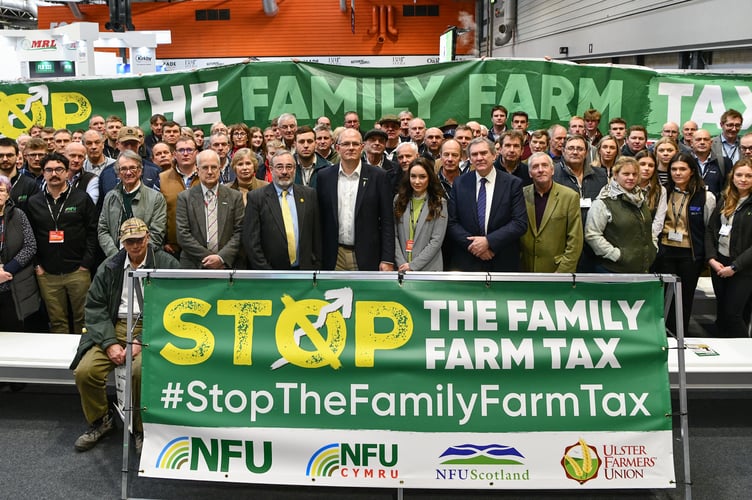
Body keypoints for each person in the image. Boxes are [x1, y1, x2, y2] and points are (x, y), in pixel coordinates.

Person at [71, 217, 179, 453]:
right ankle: (101, 420)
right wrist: (109, 343)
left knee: (139, 371)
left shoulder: (166, 263)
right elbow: (95, 307)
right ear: (122, 242)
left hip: (151, 327)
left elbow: (175, 306)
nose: (136, 246)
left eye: (140, 240)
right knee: (85, 371)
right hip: (114, 325)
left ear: (148, 237)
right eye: (130, 241)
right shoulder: (110, 266)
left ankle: (140, 428)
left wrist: (140, 340)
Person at [26, 153, 98, 334]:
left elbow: (92, 232)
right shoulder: (34, 202)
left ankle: (82, 358)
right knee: (57, 321)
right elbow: (29, 237)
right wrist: (37, 266)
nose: (54, 174)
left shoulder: (81, 198)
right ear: (43, 173)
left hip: (77, 270)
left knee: (83, 320)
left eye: (59, 169)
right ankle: (61, 361)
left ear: (67, 173)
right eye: (49, 170)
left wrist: (85, 264)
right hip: (47, 273)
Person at [654, 153, 716, 334]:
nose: (677, 173)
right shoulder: (662, 192)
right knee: (663, 296)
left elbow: (707, 228)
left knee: (685, 297)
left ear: (692, 171)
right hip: (665, 250)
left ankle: (680, 334)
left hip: (690, 254)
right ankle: (661, 335)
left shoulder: (706, 196)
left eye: (682, 169)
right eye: (674, 169)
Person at [317, 128, 395, 271]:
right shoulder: (324, 176)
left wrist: (387, 258)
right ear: (337, 148)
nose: (351, 148)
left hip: (367, 255)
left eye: (355, 144)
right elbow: (320, 219)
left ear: (362, 147)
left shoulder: (379, 176)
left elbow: (387, 221)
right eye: (346, 144)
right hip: (334, 256)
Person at [447, 137, 527, 272]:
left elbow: (519, 223)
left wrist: (489, 242)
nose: (479, 158)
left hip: (502, 259)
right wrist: (475, 246)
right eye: (474, 154)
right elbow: (452, 223)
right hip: (468, 260)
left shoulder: (513, 183)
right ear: (470, 159)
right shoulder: (460, 183)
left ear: (494, 155)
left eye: (484, 153)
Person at [242, 150, 321, 270]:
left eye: (289, 167)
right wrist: (267, 272)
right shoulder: (256, 198)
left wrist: (316, 266)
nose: (285, 171)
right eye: (279, 167)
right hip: (271, 275)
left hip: (305, 272)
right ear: (271, 169)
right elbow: (251, 242)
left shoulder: (309, 195)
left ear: (295, 169)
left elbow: (317, 235)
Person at [585, 156, 656, 273]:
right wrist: (616, 255)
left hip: (642, 268)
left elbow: (647, 227)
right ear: (615, 175)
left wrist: (653, 246)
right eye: (626, 174)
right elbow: (592, 235)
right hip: (613, 270)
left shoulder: (641, 199)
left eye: (634, 174)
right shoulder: (603, 202)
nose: (631, 178)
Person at [705, 159, 752, 337]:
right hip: (720, 264)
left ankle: (746, 356)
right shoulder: (726, 200)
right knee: (722, 314)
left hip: (744, 268)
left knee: (733, 315)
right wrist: (711, 259)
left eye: (749, 175)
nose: (743, 179)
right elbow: (711, 230)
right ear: (732, 177)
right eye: (739, 175)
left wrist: (734, 267)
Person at [176, 149, 244, 269]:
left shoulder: (235, 196)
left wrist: (221, 258)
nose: (210, 172)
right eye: (205, 167)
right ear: (197, 170)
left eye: (214, 167)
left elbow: (240, 231)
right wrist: (210, 258)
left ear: (220, 170)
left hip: (228, 264)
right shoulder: (184, 198)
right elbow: (182, 234)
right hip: (194, 264)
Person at [520, 153, 582, 273]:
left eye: (544, 165)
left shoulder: (569, 196)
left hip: (557, 269)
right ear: (529, 173)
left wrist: (563, 272)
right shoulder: (521, 195)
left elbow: (575, 240)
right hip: (525, 270)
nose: (540, 170)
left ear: (552, 170)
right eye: (535, 167)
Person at [98, 151, 167, 257]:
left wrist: (137, 255)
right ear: (118, 173)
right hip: (115, 258)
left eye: (132, 168)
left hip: (145, 258)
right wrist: (115, 255)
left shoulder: (156, 198)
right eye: (124, 169)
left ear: (140, 170)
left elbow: (157, 233)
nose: (128, 172)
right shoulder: (110, 197)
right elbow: (103, 229)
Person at [393, 157, 447, 272]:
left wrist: (413, 266)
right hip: (401, 267)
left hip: (429, 268)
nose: (417, 181)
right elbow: (394, 236)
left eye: (422, 177)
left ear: (430, 178)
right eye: (413, 176)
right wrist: (402, 263)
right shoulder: (398, 199)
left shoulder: (439, 202)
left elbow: (436, 241)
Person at [0, 175, 39, 331]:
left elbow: (30, 246)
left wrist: (6, 270)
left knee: (14, 332)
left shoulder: (18, 215)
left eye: (1, 190)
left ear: (8, 194)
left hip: (14, 283)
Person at [159, 136, 200, 258]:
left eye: (189, 150)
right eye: (181, 150)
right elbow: (157, 214)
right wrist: (163, 243)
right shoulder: (162, 178)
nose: (186, 154)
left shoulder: (207, 176)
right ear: (175, 154)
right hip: (172, 248)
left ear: (196, 153)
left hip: (202, 247)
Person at [635, 150, 668, 241]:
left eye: (651, 165)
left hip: (649, 240)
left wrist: (646, 238)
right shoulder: (625, 186)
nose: (647, 168)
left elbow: (659, 221)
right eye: (642, 164)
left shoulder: (660, 190)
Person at [0, 137, 39, 213]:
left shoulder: (30, 184)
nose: (5, 159)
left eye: (9, 155)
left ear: (17, 156)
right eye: (1, 155)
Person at [691, 129, 725, 198]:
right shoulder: (685, 161)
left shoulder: (723, 162)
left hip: (716, 206)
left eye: (706, 139)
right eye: (698, 139)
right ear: (691, 143)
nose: (702, 142)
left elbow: (727, 188)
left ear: (711, 142)